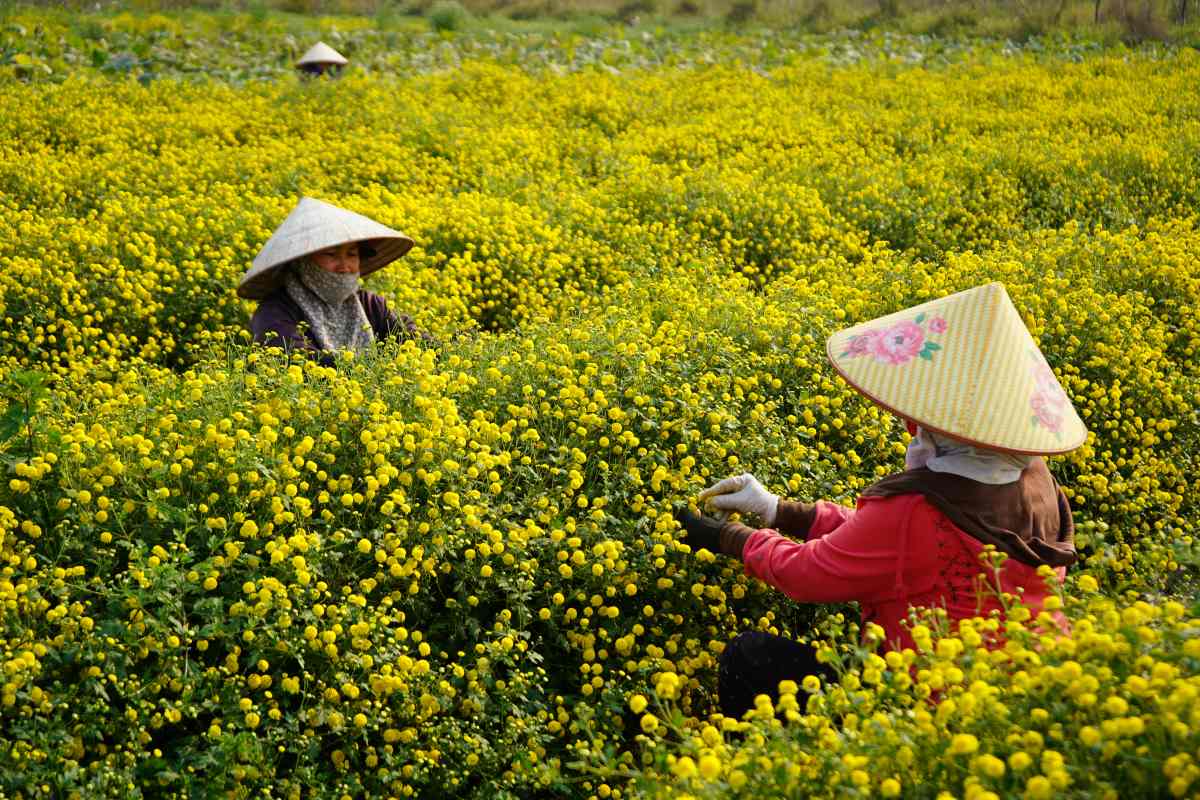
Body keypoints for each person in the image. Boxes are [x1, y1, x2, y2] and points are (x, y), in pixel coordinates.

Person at [675, 282, 1086, 720]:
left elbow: (808, 573)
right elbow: (889, 544)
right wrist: (779, 511)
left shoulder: (919, 510)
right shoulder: (1036, 481)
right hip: (1031, 694)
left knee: (750, 658)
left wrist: (730, 537)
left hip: (932, 706)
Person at [239, 197, 427, 360]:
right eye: (331, 254)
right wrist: (368, 371)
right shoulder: (276, 311)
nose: (344, 266)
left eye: (352, 254)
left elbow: (413, 338)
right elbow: (297, 360)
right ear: (303, 261)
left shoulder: (371, 305)